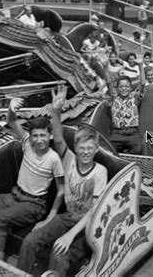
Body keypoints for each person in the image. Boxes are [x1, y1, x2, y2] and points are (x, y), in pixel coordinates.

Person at [17, 84, 107, 277]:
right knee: (30, 241)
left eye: (89, 148)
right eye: (81, 148)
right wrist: (56, 111)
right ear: (76, 147)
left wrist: (70, 235)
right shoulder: (69, 161)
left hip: (87, 225)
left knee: (59, 254)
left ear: (96, 150)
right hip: (66, 217)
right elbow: (58, 139)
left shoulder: (100, 172)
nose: (85, 152)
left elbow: (94, 210)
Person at [0, 98, 65, 260]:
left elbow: (61, 190)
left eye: (43, 136)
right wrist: (11, 107)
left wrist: (49, 218)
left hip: (34, 205)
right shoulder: (27, 143)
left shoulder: (53, 159)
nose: (39, 140)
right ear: (30, 136)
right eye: (35, 136)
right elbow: (11, 120)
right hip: (14, 196)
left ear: (50, 135)